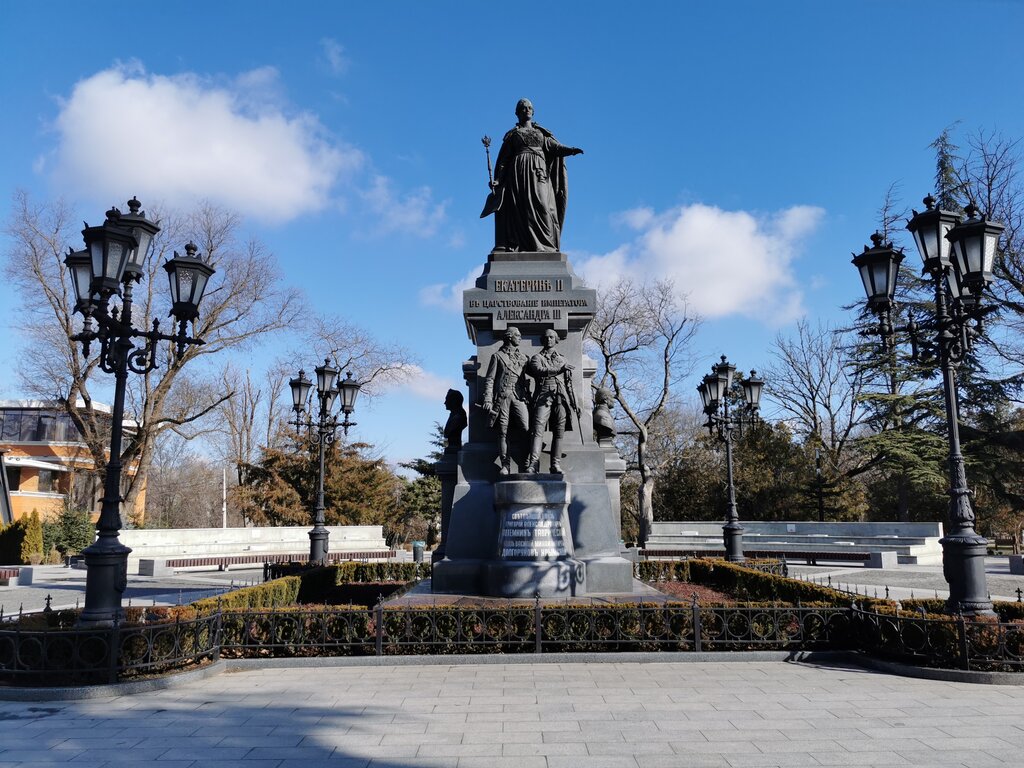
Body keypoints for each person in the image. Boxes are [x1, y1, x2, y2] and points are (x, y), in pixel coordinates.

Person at [484, 98, 583, 252]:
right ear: (517, 113)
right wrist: (498, 180)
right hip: (518, 174)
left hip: (538, 173)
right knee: (520, 208)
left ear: (533, 111)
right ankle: (521, 244)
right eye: (523, 108)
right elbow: (504, 160)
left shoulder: (541, 133)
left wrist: (570, 150)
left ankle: (545, 246)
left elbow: (554, 147)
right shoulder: (512, 135)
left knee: (543, 206)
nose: (527, 110)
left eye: (529, 107)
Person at [480, 327, 530, 474]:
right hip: (503, 397)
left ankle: (527, 463)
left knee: (526, 428)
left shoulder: (524, 358)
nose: (520, 338)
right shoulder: (497, 356)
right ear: (509, 337)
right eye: (518, 335)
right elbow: (490, 379)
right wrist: (488, 398)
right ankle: (505, 465)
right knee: (503, 432)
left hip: (519, 396)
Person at [525, 328, 576, 473]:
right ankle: (533, 463)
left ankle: (555, 464)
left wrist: (573, 402)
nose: (549, 340)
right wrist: (559, 369)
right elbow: (539, 371)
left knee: (559, 432)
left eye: (552, 337)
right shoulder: (537, 358)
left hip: (561, 396)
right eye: (546, 337)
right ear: (542, 340)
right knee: (537, 430)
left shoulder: (563, 359)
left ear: (556, 339)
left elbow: (569, 384)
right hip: (543, 395)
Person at [442, 389, 467, 454]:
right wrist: (446, 446)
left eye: (447, 400)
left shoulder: (459, 416)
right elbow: (446, 436)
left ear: (454, 401)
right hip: (450, 449)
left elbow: (448, 433)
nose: (445, 403)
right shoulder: (453, 415)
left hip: (454, 449)